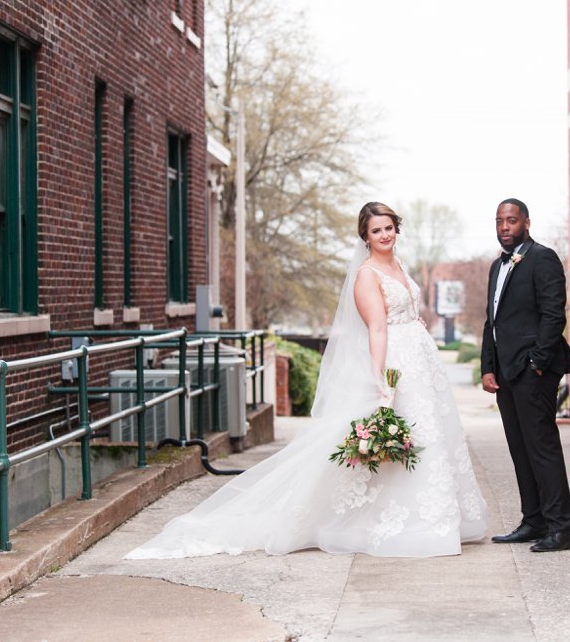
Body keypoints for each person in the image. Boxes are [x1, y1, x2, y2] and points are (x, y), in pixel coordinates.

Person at [125, 202, 486, 559]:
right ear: (365, 236)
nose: (384, 235)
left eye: (389, 228)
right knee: (398, 438)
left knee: (429, 437)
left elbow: (404, 310)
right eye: (376, 230)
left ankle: (433, 515)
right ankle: (386, 522)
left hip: (421, 362)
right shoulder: (366, 275)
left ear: (397, 228)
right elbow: (376, 328)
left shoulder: (399, 265)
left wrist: (416, 327)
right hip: (395, 366)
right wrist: (379, 378)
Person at [481, 198, 570, 553]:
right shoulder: (496, 267)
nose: (504, 227)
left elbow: (554, 315)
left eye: (511, 220)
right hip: (505, 372)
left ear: (526, 222)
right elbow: (491, 322)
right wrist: (487, 367)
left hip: (534, 371)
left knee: (542, 448)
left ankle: (561, 529)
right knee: (519, 449)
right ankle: (533, 520)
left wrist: (537, 362)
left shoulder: (542, 258)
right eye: (499, 221)